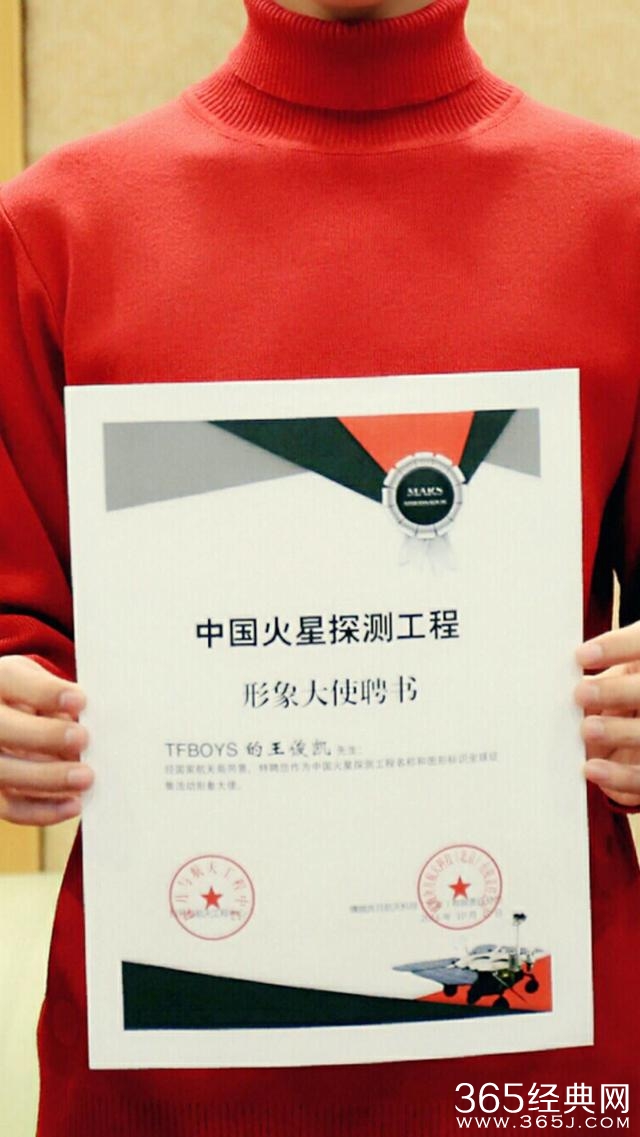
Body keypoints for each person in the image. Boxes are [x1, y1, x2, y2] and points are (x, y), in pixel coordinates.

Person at [1, 0, 639, 1132]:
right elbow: (17, 630)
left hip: (543, 1071)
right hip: (168, 1072)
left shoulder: (619, 215)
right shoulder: (57, 229)